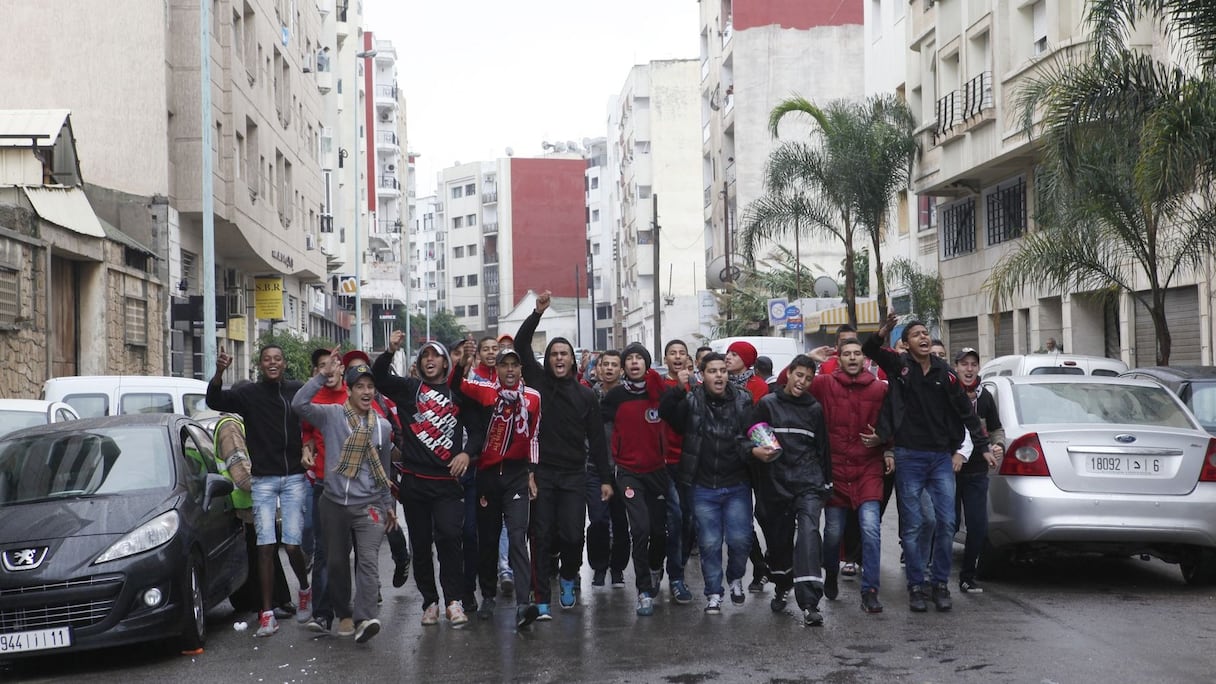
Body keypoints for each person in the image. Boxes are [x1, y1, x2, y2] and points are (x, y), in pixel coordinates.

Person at [863, 313, 991, 613]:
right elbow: (870, 350)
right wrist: (883, 331)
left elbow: (966, 412)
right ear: (905, 344)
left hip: (940, 458)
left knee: (947, 523)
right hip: (909, 456)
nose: (923, 337)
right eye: (916, 334)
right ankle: (916, 586)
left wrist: (982, 446)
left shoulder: (945, 374)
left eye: (926, 334)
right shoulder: (899, 367)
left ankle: (939, 583)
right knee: (914, 525)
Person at [514, 290, 614, 620]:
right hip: (541, 474)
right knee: (540, 536)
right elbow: (520, 345)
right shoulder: (538, 383)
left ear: (573, 360)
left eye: (564, 354)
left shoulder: (586, 396)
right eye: (554, 353)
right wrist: (537, 313)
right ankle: (541, 597)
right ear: (548, 359)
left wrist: (605, 480)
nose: (558, 358)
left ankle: (569, 577)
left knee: (572, 536)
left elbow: (598, 442)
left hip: (574, 475)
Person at [373, 332, 482, 627]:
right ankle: (430, 601)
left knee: (449, 538)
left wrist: (467, 455)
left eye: (436, 356)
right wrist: (389, 350)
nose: (430, 360)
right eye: (425, 356)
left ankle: (453, 600)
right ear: (419, 363)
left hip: (448, 483)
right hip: (415, 483)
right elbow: (379, 379)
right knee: (420, 545)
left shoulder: (457, 391)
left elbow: (478, 431)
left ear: (446, 363)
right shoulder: (410, 389)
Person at [206, 345, 311, 638]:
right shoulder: (249, 394)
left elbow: (314, 416)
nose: (272, 363)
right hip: (263, 480)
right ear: (260, 365)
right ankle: (266, 615)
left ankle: (304, 589)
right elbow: (214, 399)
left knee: (291, 545)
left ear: (284, 363)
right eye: (267, 360)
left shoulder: (296, 390)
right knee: (264, 546)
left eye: (277, 358)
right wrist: (219, 372)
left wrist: (308, 447)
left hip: (293, 479)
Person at [292, 359, 397, 642]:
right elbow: (299, 405)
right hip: (334, 503)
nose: (366, 392)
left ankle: (365, 619)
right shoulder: (332, 415)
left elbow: (384, 470)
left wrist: (388, 505)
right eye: (360, 386)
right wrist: (322, 376)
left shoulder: (383, 428)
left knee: (367, 561)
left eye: (370, 387)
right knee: (336, 563)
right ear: (348, 390)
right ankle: (343, 611)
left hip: (370, 506)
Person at [453, 347, 543, 628]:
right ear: (498, 369)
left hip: (517, 475)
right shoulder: (486, 392)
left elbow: (534, 436)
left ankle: (523, 603)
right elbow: (456, 385)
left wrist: (532, 472)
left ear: (520, 369)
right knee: (488, 540)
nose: (510, 370)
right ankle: (488, 594)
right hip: (488, 476)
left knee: (518, 537)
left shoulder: (532, 398)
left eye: (515, 365)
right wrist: (461, 366)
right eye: (505, 365)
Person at [660, 352, 755, 614]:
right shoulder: (692, 400)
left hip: (737, 482)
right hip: (702, 486)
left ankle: (736, 577)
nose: (719, 375)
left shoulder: (743, 398)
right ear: (702, 375)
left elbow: (753, 432)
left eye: (723, 370)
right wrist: (680, 388)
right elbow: (666, 413)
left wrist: (759, 450)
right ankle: (714, 592)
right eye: (712, 371)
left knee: (740, 539)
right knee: (709, 543)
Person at [810, 338, 891, 614]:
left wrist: (884, 440)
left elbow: (894, 421)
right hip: (834, 471)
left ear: (865, 359)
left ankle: (870, 590)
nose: (853, 358)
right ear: (839, 359)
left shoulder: (880, 389)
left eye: (858, 353)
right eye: (847, 354)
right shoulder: (824, 384)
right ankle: (830, 571)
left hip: (868, 468)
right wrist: (810, 359)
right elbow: (789, 385)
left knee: (870, 529)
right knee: (832, 534)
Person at [752, 354, 832, 626]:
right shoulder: (767, 405)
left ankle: (810, 603)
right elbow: (750, 440)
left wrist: (826, 483)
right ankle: (782, 584)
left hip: (808, 483)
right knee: (779, 542)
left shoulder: (814, 410)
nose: (803, 382)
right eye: (799, 375)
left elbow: (823, 450)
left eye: (809, 378)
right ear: (788, 374)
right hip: (775, 485)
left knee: (809, 535)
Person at [603, 343, 669, 616]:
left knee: (658, 531)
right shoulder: (615, 396)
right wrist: (609, 469)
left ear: (646, 363)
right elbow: (603, 435)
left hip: (658, 471)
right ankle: (643, 591)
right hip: (629, 472)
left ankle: (656, 567)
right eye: (628, 359)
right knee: (639, 530)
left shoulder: (660, 392)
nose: (633, 363)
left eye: (638, 358)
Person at [299, 348, 348, 632]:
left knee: (351, 550)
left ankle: (353, 609)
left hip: (353, 487)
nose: (328, 370)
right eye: (322, 366)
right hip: (322, 483)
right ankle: (321, 613)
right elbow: (306, 430)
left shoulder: (354, 397)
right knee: (323, 549)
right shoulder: (314, 399)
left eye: (333, 365)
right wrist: (306, 447)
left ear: (342, 369)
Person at [952, 348, 1004, 594]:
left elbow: (996, 429)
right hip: (949, 470)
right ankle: (933, 575)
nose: (969, 369)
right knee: (946, 524)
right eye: (964, 364)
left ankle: (967, 577)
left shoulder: (985, 398)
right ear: (956, 367)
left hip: (977, 472)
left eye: (974, 364)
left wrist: (998, 445)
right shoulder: (948, 394)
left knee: (977, 526)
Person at [725, 340, 775, 593]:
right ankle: (759, 565)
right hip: (730, 458)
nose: (728, 358)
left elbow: (760, 423)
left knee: (765, 514)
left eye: (735, 354)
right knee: (740, 520)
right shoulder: (720, 383)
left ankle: (775, 560)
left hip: (756, 458)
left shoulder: (758, 386)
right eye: (728, 354)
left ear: (747, 360)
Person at [587, 350, 630, 587]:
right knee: (598, 520)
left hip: (624, 468)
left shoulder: (629, 395)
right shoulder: (589, 396)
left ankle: (618, 569)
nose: (610, 369)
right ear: (598, 368)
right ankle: (599, 566)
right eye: (606, 365)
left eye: (615, 365)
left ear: (621, 370)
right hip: (594, 467)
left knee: (621, 521)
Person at [659, 340, 694, 605]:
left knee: (689, 521)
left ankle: (676, 567)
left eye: (682, 353)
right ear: (666, 358)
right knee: (674, 519)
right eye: (673, 353)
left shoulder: (700, 388)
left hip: (691, 463)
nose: (678, 357)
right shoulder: (660, 387)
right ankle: (674, 576)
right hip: (663, 462)